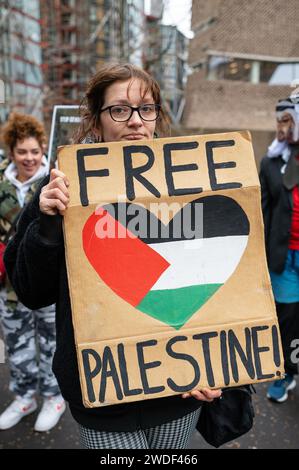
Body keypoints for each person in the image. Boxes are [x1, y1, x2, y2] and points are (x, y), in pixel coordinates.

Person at [4, 64, 221, 449]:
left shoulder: (191, 184)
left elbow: (219, 282)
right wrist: (49, 224)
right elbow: (32, 292)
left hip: (178, 386)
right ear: (96, 121)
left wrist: (216, 363)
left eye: (146, 108)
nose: (136, 121)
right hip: (103, 388)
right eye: (120, 109)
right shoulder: (57, 188)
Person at [0, 113, 66, 431]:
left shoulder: (57, 183)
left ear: (43, 149)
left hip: (46, 280)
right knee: (17, 343)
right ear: (11, 152)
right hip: (8, 285)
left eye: (34, 151)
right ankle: (24, 396)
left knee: (53, 341)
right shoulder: (0, 181)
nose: (29, 158)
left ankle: (54, 397)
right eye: (22, 152)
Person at [260, 97, 299, 403]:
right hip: (284, 255)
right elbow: (263, 209)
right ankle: (286, 373)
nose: (282, 128)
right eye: (279, 122)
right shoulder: (271, 162)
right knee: (286, 318)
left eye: (288, 121)